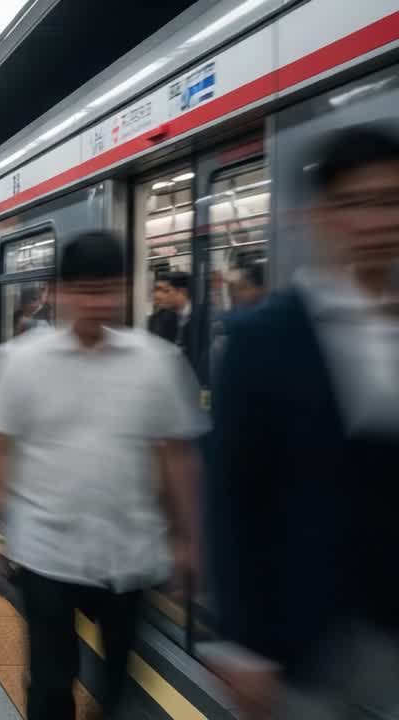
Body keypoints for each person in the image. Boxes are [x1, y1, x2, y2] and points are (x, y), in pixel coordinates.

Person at [0, 230, 206, 719]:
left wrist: (187, 537)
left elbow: (176, 454)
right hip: (47, 552)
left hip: (131, 552)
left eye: (108, 290)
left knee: (118, 682)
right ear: (59, 291)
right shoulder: (18, 362)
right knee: (52, 682)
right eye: (85, 290)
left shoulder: (157, 362)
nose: (97, 303)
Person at [207, 125, 399, 719]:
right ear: (320, 216)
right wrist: (242, 643)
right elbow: (232, 496)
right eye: (354, 203)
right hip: (300, 635)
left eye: (391, 201)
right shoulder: (262, 338)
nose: (376, 221)